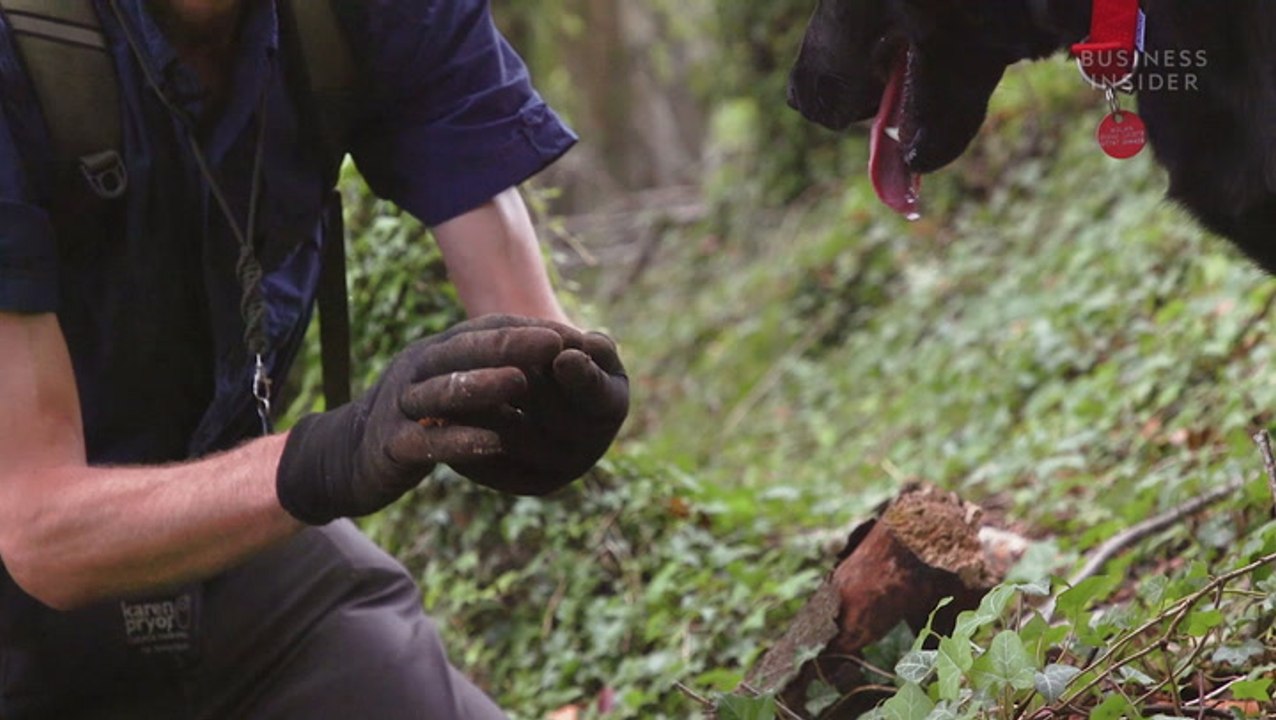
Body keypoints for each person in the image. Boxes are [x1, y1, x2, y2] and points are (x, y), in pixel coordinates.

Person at [0, 0, 629, 718]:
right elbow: (40, 533)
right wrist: (328, 457)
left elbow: (523, 320)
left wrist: (553, 401)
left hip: (222, 543)